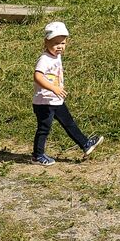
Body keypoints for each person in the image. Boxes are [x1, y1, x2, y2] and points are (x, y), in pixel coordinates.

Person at [31, 21, 103, 165]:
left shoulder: (56, 56)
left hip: (55, 100)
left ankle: (85, 144)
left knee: (69, 123)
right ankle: (37, 156)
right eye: (56, 43)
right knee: (44, 129)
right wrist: (54, 88)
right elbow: (37, 77)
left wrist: (57, 91)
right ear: (46, 42)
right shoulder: (44, 59)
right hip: (44, 102)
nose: (59, 47)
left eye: (62, 43)